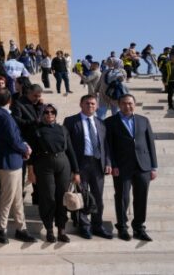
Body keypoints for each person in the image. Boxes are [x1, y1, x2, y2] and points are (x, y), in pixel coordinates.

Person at [106, 94, 158, 242]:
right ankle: (122, 227)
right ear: (118, 104)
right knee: (122, 197)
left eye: (130, 103)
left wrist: (153, 166)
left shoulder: (143, 120)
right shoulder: (110, 122)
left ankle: (139, 227)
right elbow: (109, 146)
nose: (127, 106)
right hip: (122, 167)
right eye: (124, 103)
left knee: (141, 197)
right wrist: (113, 164)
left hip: (143, 166)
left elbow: (150, 144)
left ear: (134, 104)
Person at [63, 95, 113, 239]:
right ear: (81, 104)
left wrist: (108, 162)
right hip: (80, 164)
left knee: (98, 197)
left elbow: (106, 145)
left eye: (93, 104)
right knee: (82, 196)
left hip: (97, 164)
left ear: (97, 106)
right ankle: (84, 226)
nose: (90, 106)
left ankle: (97, 225)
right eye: (87, 103)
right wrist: (73, 168)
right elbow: (67, 146)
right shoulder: (71, 121)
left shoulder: (101, 123)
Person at [27, 103, 80, 243]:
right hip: (44, 164)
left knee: (62, 197)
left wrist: (76, 171)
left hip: (63, 163)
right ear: (42, 114)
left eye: (52, 112)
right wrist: (30, 170)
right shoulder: (36, 130)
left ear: (56, 114)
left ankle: (61, 229)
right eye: (46, 112)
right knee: (48, 197)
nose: (49, 114)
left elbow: (71, 150)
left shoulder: (62, 129)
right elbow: (31, 153)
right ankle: (49, 229)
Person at [0, 89, 36, 244]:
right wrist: (25, 149)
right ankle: (1, 229)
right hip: (9, 162)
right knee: (7, 198)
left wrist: (23, 147)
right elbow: (12, 139)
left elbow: (15, 137)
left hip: (14, 160)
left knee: (17, 198)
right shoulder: (2, 115)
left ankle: (20, 228)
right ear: (9, 100)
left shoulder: (0, 113)